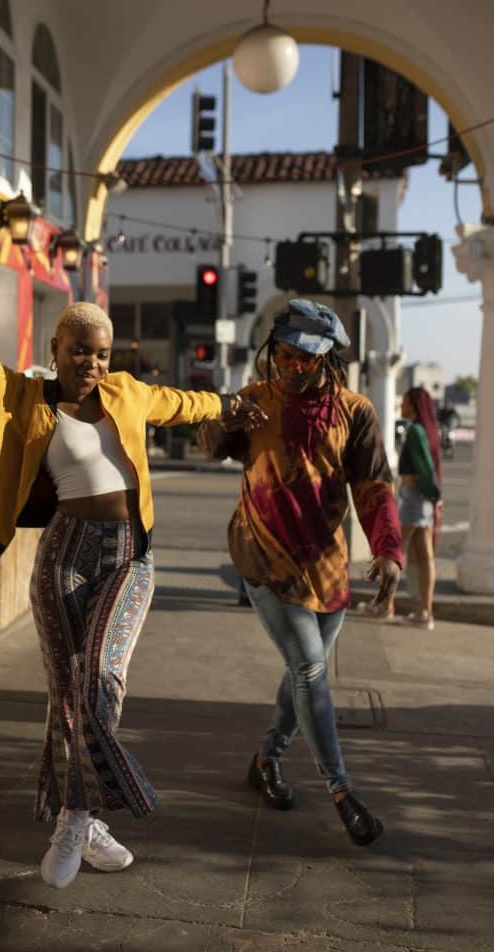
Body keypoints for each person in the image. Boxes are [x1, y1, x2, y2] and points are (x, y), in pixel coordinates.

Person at [0, 216, 265, 889]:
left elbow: (183, 403)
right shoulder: (19, 395)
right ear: (56, 345)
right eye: (80, 350)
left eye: (101, 353)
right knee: (63, 690)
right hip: (62, 554)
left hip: (128, 554)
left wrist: (229, 406)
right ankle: (81, 820)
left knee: (98, 676)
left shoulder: (127, 393)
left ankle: (78, 815)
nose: (92, 363)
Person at [197, 299, 403, 847]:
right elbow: (209, 446)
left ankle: (267, 760)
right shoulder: (254, 401)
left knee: (300, 676)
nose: (291, 366)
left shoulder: (355, 412)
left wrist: (388, 549)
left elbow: (374, 487)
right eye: (285, 355)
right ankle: (343, 791)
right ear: (274, 351)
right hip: (263, 559)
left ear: (327, 360)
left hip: (327, 569)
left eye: (305, 360)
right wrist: (222, 422)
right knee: (311, 669)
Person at [368, 386, 442, 629]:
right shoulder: (426, 430)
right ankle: (424, 613)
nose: (401, 404)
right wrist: (434, 497)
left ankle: (384, 605)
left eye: (405, 401)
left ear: (413, 404)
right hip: (423, 500)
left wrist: (434, 495)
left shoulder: (415, 431)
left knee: (392, 552)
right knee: (424, 556)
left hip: (414, 499)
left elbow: (423, 467)